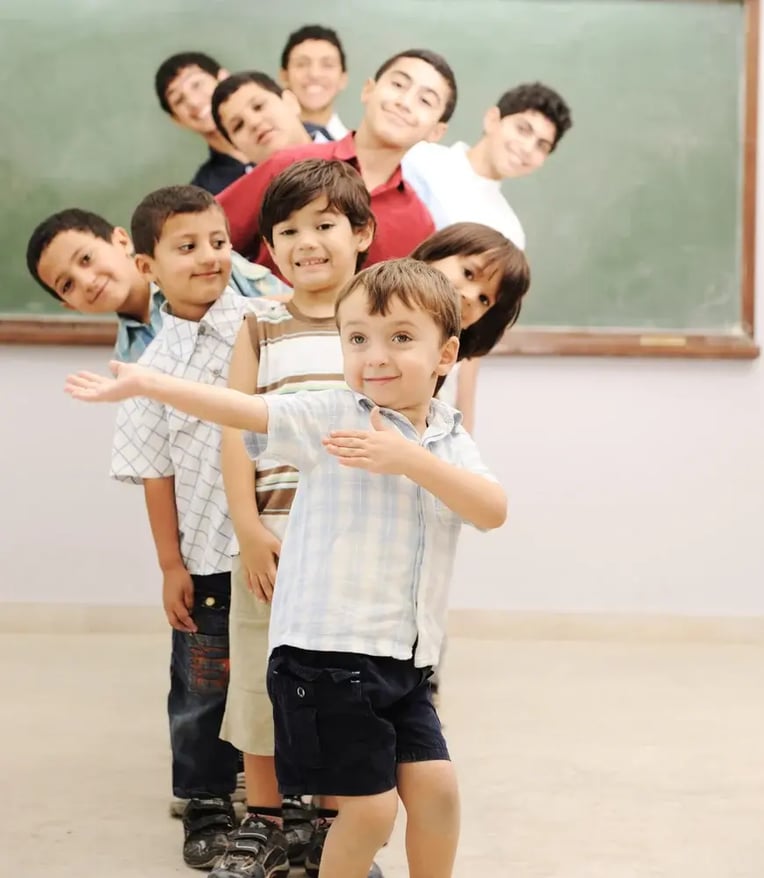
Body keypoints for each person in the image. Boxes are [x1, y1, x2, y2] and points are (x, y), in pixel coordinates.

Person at [65, 258, 508, 878]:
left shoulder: (449, 438)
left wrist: (409, 459)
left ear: (446, 354)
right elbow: (243, 410)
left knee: (438, 795)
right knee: (371, 813)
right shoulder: (331, 414)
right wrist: (151, 385)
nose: (375, 356)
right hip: (327, 658)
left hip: (405, 660)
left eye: (401, 337)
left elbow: (492, 510)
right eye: (358, 338)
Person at [214, 158, 377, 878]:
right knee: (259, 677)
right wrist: (249, 531)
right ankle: (267, 819)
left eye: (324, 225)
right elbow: (233, 430)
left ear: (362, 232)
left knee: (346, 685)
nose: (305, 242)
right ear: (270, 247)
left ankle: (336, 824)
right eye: (287, 231)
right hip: (272, 541)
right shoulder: (260, 325)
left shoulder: (376, 325)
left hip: (353, 544)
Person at [106, 184, 266, 869]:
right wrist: (170, 564)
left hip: (275, 546)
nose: (209, 257)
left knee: (281, 675)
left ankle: (285, 798)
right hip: (204, 556)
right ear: (147, 266)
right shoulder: (150, 368)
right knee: (204, 685)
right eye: (187, 246)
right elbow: (155, 472)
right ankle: (204, 797)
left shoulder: (264, 326)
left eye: (219, 242)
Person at [216, 48, 458, 276]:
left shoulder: (420, 225)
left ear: (436, 132)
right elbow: (206, 232)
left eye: (425, 101)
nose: (404, 102)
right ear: (368, 90)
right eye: (398, 85)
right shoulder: (289, 163)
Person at [26, 208, 287, 362]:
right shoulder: (127, 361)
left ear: (121, 241)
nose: (87, 282)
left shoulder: (206, 266)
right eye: (67, 285)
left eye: (86, 259)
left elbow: (296, 310)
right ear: (69, 305)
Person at [402, 81, 573, 248]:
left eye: (542, 146)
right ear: (492, 119)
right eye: (522, 129)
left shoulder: (507, 235)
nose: (528, 148)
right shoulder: (414, 156)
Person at [412, 222, 530, 432]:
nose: (471, 296)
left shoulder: (445, 371)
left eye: (484, 299)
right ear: (435, 253)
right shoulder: (366, 307)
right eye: (468, 273)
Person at [154, 51, 253, 195]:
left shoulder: (281, 134)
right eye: (179, 100)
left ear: (223, 77)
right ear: (176, 120)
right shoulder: (204, 193)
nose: (193, 102)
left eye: (197, 85)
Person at [210, 71, 331, 168]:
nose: (253, 122)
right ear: (236, 148)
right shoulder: (250, 193)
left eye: (258, 106)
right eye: (238, 125)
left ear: (291, 101)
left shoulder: (343, 149)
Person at [278, 25, 349, 140]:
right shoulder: (265, 146)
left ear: (343, 78)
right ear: (284, 76)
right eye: (302, 64)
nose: (314, 74)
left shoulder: (357, 147)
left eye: (327, 65)